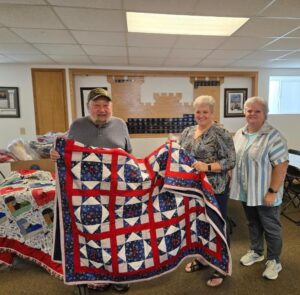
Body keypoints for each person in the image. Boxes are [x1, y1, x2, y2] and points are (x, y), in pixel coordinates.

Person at [50, 87, 132, 293]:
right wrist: (55, 153)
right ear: (88, 107)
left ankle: (118, 276)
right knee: (87, 237)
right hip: (84, 195)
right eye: (97, 105)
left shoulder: (121, 125)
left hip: (113, 193)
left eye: (106, 105)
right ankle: (86, 279)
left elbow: (128, 155)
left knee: (115, 236)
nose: (102, 109)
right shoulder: (77, 126)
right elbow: (65, 150)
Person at [179, 95, 236, 287]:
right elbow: (181, 155)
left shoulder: (221, 133)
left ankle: (220, 266)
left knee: (217, 227)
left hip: (214, 189)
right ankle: (203, 259)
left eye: (205, 112)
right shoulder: (187, 131)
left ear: (212, 113)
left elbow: (231, 161)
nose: (201, 115)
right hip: (193, 189)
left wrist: (208, 167)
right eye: (198, 111)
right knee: (198, 227)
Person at [230, 96, 288, 281]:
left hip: (266, 193)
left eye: (257, 111)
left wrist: (272, 191)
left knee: (271, 227)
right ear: (244, 112)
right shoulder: (240, 133)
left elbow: (281, 165)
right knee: (253, 223)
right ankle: (256, 251)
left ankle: (274, 260)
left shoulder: (273, 135)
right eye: (249, 110)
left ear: (264, 113)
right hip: (247, 191)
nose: (252, 114)